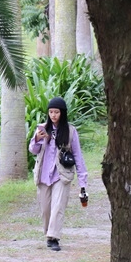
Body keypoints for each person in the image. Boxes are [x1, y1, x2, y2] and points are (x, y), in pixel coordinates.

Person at [28, 97, 87, 252]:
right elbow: (32, 150)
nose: (53, 115)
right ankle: (48, 233)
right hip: (43, 175)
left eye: (57, 112)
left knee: (58, 206)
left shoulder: (70, 131)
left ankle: (53, 237)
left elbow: (78, 156)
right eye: (51, 112)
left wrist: (83, 182)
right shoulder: (42, 128)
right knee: (45, 208)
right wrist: (37, 139)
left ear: (62, 113)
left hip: (62, 175)